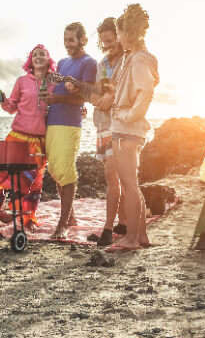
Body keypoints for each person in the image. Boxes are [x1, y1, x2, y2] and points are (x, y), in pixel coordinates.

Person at [0, 44, 57, 230]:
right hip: (17, 137)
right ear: (31, 60)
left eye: (42, 54)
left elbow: (60, 108)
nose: (38, 57)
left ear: (48, 60)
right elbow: (11, 108)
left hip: (39, 141)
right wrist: (2, 100)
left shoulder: (55, 83)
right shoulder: (22, 81)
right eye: (35, 55)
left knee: (31, 182)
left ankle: (27, 219)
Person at [106, 4, 159, 252]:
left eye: (119, 34)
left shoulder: (138, 60)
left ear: (128, 34)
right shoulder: (136, 58)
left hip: (128, 130)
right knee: (132, 183)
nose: (117, 39)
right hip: (129, 129)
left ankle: (130, 239)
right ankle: (142, 235)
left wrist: (126, 115)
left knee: (128, 185)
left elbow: (145, 92)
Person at [41, 22, 97, 238]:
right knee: (55, 169)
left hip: (69, 123)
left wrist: (58, 98)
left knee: (66, 170)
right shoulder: (62, 63)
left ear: (83, 39)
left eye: (71, 40)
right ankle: (70, 215)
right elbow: (55, 87)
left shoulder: (89, 63)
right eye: (65, 40)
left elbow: (85, 96)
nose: (67, 44)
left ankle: (62, 224)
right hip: (53, 120)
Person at [89, 17, 127, 246]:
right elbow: (95, 92)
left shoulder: (127, 60)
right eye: (104, 43)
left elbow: (126, 92)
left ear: (119, 38)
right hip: (102, 125)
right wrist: (93, 97)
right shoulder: (101, 64)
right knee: (113, 176)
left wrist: (110, 99)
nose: (107, 46)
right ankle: (122, 223)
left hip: (120, 125)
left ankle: (107, 228)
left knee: (115, 177)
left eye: (111, 41)